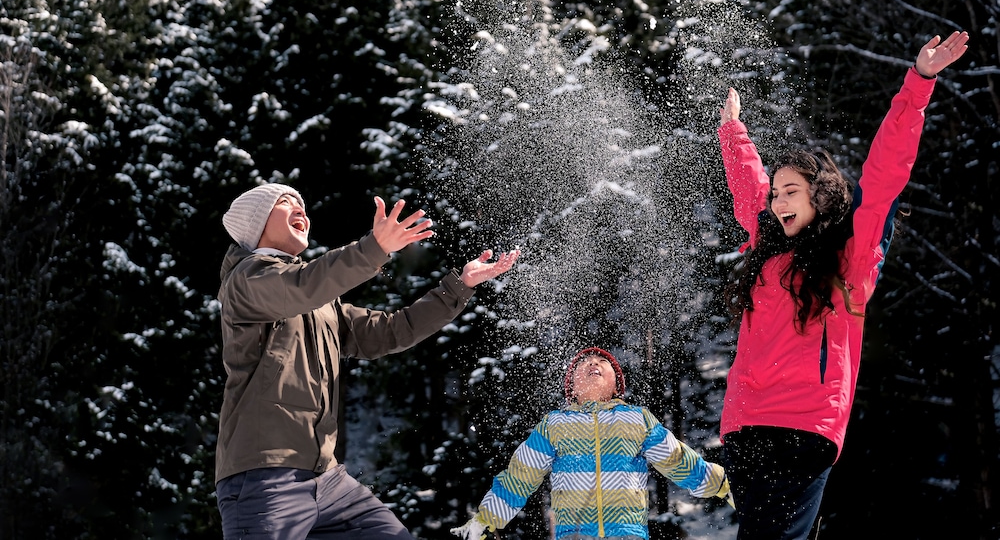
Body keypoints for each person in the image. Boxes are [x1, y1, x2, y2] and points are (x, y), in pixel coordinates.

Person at [716, 30, 969, 539]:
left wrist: (919, 83)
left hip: (804, 426)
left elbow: (884, 174)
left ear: (820, 197)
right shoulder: (767, 246)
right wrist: (732, 132)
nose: (777, 201)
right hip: (746, 425)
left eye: (791, 191)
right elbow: (750, 189)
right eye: (776, 194)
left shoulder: (849, 258)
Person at [215, 183, 520, 540]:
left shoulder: (321, 304)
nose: (300, 209)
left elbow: (391, 331)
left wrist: (459, 286)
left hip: (327, 481)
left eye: (302, 204)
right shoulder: (245, 281)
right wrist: (375, 247)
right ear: (256, 221)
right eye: (285, 202)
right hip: (263, 477)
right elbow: (300, 287)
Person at [452, 347, 733, 540]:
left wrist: (723, 483)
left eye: (602, 362)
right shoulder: (555, 424)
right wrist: (486, 520)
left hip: (627, 533)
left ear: (616, 386)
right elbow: (520, 476)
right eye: (584, 363)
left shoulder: (637, 419)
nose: (593, 363)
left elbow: (677, 459)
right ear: (572, 388)